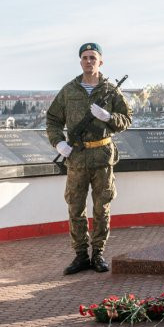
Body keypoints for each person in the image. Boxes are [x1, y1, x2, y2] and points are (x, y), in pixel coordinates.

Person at [46, 43, 132, 274]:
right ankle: (81, 256)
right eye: (84, 57)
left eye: (93, 57)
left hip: (102, 158)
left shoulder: (110, 90)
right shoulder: (69, 90)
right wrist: (58, 142)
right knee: (75, 208)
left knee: (101, 209)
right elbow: (53, 119)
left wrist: (109, 117)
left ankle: (98, 255)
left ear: (100, 61)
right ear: (80, 61)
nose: (88, 61)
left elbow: (127, 119)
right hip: (77, 157)